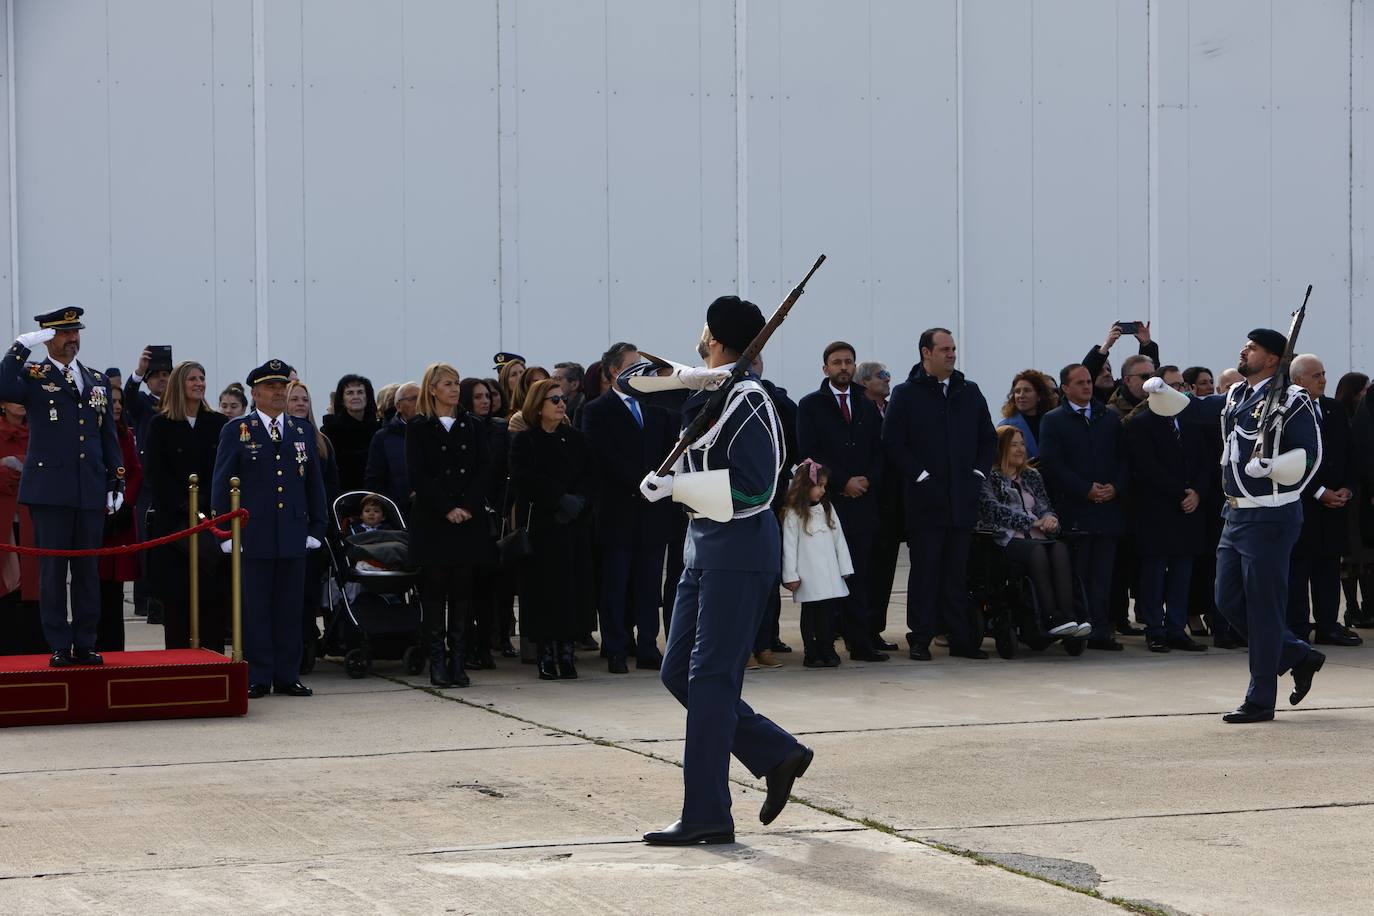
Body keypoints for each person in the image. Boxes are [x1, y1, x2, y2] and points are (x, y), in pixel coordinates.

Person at [629, 295, 811, 846]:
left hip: (738, 550)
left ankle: (707, 812)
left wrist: (677, 487)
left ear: (713, 333)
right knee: (678, 672)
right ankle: (776, 752)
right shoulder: (711, 391)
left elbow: (756, 488)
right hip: (701, 549)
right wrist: (693, 377)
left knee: (709, 679)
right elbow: (627, 382)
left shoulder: (749, 399)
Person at [1150, 328, 1326, 723]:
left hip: (1270, 514)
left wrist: (1275, 468)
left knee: (1264, 609)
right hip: (1234, 514)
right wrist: (1162, 392)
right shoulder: (1237, 395)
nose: (1245, 350)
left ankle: (1260, 699)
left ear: (1274, 359)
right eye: (1246, 345)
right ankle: (1297, 653)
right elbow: (1196, 411)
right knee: (1227, 600)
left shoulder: (1293, 400)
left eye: (1254, 347)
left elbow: (1311, 456)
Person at [0, 308, 125, 667]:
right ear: (47, 338)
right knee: (53, 573)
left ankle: (85, 641)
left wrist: (114, 479)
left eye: (75, 332)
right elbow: (4, 386)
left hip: (89, 488)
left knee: (87, 571)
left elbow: (107, 435)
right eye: (63, 333)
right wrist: (20, 348)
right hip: (50, 490)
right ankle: (58, 642)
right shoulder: (33, 375)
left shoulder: (96, 379)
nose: (72, 339)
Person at [212, 359, 327, 699]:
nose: (279, 393)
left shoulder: (302, 430)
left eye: (282, 387)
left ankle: (287, 674)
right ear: (255, 392)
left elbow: (313, 485)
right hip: (254, 532)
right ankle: (259, 675)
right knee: (256, 607)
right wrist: (226, 533)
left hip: (292, 531)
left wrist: (317, 528)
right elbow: (222, 484)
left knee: (290, 607)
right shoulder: (237, 430)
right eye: (271, 387)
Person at [882, 327, 998, 661]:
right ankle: (920, 637)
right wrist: (920, 476)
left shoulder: (969, 392)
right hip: (925, 502)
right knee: (925, 572)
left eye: (953, 349)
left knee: (956, 573)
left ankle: (961, 638)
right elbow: (893, 442)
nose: (951, 354)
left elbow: (988, 439)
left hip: (962, 499)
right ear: (925, 353)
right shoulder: (906, 394)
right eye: (944, 349)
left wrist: (977, 473)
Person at [580, 342, 677, 673]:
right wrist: (642, 481)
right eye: (634, 365)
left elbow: (670, 448)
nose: (643, 371)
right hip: (617, 510)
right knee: (616, 585)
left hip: (653, 511)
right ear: (614, 371)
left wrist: (659, 481)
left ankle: (648, 646)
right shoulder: (596, 410)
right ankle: (616, 648)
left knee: (649, 584)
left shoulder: (657, 407)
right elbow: (601, 455)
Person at [796, 341, 887, 661]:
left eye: (849, 362)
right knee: (825, 578)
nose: (844, 367)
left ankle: (860, 644)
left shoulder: (866, 406)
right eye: (837, 362)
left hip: (862, 504)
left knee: (860, 575)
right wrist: (842, 481)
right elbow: (808, 453)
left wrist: (865, 481)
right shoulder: (810, 406)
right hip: (828, 505)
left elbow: (879, 451)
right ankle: (821, 646)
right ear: (826, 369)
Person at [405, 363, 490, 688]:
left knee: (462, 591)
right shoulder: (419, 426)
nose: (454, 389)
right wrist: (447, 507)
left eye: (456, 383)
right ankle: (437, 661)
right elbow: (419, 474)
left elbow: (485, 469)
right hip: (434, 520)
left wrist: (467, 505)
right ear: (432, 389)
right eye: (446, 384)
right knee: (435, 590)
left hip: (468, 519)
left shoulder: (472, 425)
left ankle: (458, 660)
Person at [508, 378, 597, 680]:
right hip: (544, 526)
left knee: (572, 591)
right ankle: (546, 654)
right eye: (553, 400)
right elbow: (525, 479)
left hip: (573, 527)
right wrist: (558, 499)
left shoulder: (576, 438)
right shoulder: (526, 440)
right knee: (545, 593)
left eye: (562, 399)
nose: (561, 404)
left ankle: (567, 653)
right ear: (538, 405)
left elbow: (589, 473)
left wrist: (579, 500)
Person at [1038, 363, 1129, 650]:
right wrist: (1084, 489)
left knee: (1103, 575)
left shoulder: (1109, 418)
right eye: (1079, 383)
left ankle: (1100, 630)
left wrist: (1115, 486)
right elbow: (1053, 464)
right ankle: (1078, 629)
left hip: (1107, 510)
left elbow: (1125, 458)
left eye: (1089, 381)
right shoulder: (1053, 420)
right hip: (1075, 510)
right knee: (1077, 573)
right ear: (1065, 388)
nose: (1087, 387)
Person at [144, 360, 229, 652]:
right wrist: (186, 509)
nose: (199, 383)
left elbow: (224, 470)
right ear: (180, 384)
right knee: (178, 605)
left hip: (212, 525)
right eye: (192, 378)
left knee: (213, 602)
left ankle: (215, 666)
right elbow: (156, 474)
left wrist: (208, 510)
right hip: (175, 527)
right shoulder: (161, 425)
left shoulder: (217, 424)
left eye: (202, 378)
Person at [1123, 366, 1210, 653]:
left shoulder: (1190, 420)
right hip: (1157, 511)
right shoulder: (1141, 424)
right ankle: (1155, 629)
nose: (1178, 389)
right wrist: (1179, 492)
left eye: (1180, 384)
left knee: (1183, 572)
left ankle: (1176, 628)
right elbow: (1146, 468)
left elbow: (1204, 462)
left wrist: (1197, 491)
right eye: (1171, 384)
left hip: (1188, 510)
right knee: (1155, 572)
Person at [976, 427, 1087, 638]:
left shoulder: (1032, 475)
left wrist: (1050, 518)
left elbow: (1045, 506)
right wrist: (1032, 523)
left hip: (1038, 538)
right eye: (1014, 445)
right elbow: (993, 510)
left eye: (1022, 444)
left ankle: (1069, 615)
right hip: (1007, 539)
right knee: (1038, 552)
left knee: (1058, 548)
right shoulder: (988, 477)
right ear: (1001, 449)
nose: (1020, 450)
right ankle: (1051, 617)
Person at [1285, 355, 1361, 646]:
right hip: (1304, 504)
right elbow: (1291, 461)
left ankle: (1328, 624)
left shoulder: (1333, 409)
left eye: (1324, 374)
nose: (1323, 380)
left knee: (1329, 566)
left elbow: (1350, 454)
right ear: (1298, 380)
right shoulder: (1289, 412)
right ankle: (1298, 627)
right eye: (1316, 375)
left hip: (1335, 507)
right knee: (1299, 568)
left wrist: (1347, 489)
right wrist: (1318, 491)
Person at [780, 459, 853, 668]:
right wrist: (790, 575)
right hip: (808, 577)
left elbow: (839, 540)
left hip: (829, 575)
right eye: (818, 485)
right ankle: (811, 651)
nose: (822, 490)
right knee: (811, 613)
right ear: (805, 486)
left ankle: (827, 647)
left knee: (828, 614)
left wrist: (844, 567)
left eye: (824, 486)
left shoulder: (827, 509)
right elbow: (789, 547)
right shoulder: (793, 514)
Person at [855, 361, 901, 648]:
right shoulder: (860, 411)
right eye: (881, 376)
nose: (887, 380)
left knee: (884, 570)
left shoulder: (892, 410)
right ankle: (858, 628)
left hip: (892, 502)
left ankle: (875, 627)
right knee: (864, 570)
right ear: (865, 383)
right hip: (865, 497)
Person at [95, 385, 143, 652]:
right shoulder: (91, 433)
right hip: (95, 517)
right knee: (95, 586)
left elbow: (135, 471)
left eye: (119, 401)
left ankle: (115, 647)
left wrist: (126, 504)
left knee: (115, 588)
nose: (116, 406)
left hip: (120, 520)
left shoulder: (126, 435)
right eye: (110, 401)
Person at [0, 401, 42, 654]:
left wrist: (15, 463)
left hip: (32, 520)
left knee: (33, 584)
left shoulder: (38, 432)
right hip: (4, 521)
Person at [1334, 372, 1374, 628]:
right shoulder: (1345, 417)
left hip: (1357, 493)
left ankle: (1363, 608)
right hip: (1352, 496)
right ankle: (1353, 608)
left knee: (1363, 556)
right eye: (1364, 389)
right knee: (1353, 556)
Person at [364, 380, 419, 516]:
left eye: (422, 398)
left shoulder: (436, 431)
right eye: (413, 399)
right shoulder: (383, 437)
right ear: (398, 406)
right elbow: (374, 481)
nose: (419, 402)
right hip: (400, 514)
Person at [322, 374, 379, 493]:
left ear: (367, 397)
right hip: (343, 495)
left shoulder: (379, 429)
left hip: (375, 498)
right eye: (350, 393)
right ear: (342, 400)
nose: (356, 396)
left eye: (360, 392)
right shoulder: (330, 431)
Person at [1082, 321, 1161, 405]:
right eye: (1100, 371)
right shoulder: (1087, 400)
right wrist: (1107, 345)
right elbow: (1085, 371)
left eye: (1109, 369)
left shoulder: (1122, 391)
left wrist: (1146, 344)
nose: (1107, 374)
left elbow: (1146, 370)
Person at [997, 369, 1059, 459]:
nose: (1021, 395)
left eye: (1027, 390)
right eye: (1017, 391)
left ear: (1039, 396)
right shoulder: (1006, 426)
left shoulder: (1053, 422)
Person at [505, 366, 550, 435]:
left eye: (545, 381)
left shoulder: (560, 415)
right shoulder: (518, 419)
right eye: (536, 381)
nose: (543, 385)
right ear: (525, 386)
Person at [495, 354, 526, 418]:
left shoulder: (534, 401)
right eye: (513, 375)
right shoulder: (500, 408)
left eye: (522, 373)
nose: (519, 377)